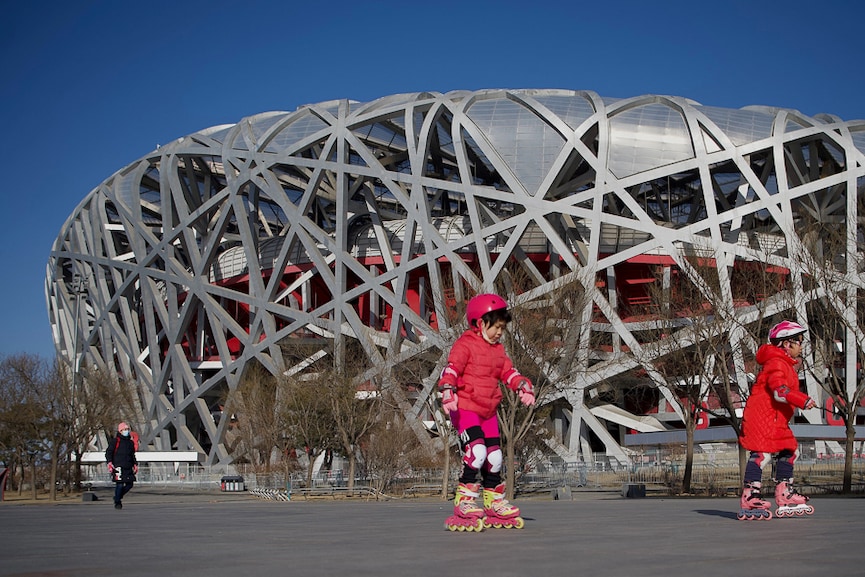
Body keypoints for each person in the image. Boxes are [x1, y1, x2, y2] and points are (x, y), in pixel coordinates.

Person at [438, 293, 535, 530]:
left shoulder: (498, 351)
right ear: (480, 323)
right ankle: (464, 500)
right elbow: (452, 368)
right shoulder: (465, 344)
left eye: (503, 328)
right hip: (466, 408)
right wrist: (448, 390)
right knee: (477, 452)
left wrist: (522, 385)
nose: (500, 332)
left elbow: (508, 373)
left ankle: (493, 502)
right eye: (496, 327)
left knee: (495, 458)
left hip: (488, 410)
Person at [737, 320, 817, 520]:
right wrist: (803, 400)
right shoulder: (776, 362)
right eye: (799, 341)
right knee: (761, 454)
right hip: (762, 417)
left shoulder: (784, 363)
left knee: (790, 451)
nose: (802, 345)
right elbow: (779, 391)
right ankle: (750, 495)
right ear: (787, 343)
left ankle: (784, 492)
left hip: (775, 419)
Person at [105, 422, 138, 509]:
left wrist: (135, 464)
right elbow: (109, 452)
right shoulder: (116, 441)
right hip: (118, 466)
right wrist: (109, 463)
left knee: (130, 484)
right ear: (120, 431)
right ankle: (117, 502)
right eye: (124, 430)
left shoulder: (130, 443)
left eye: (127, 429)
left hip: (128, 466)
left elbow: (132, 455)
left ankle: (118, 496)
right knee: (119, 484)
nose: (126, 431)